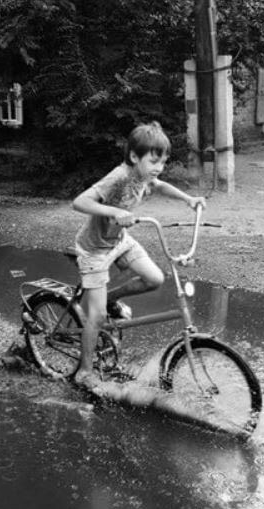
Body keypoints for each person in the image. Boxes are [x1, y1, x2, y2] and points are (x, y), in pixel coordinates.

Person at [71, 121, 206, 389]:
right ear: (134, 157)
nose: (159, 167)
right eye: (154, 161)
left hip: (119, 241)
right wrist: (116, 212)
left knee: (155, 278)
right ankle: (84, 372)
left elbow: (160, 185)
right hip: (94, 249)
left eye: (163, 162)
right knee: (95, 318)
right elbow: (79, 202)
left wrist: (188, 200)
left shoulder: (144, 177)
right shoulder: (119, 176)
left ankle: (110, 299)